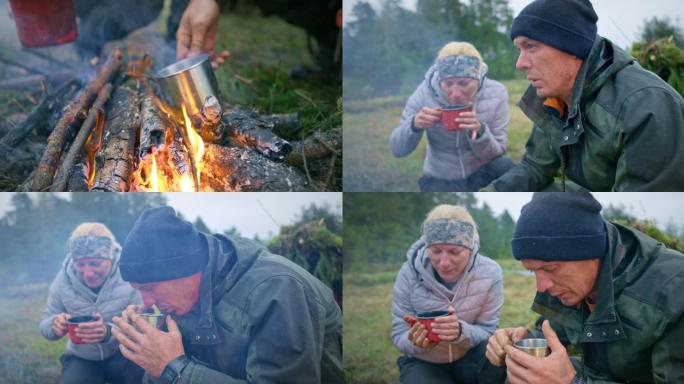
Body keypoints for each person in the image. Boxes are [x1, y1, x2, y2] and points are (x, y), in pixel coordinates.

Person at [111, 206, 343, 383]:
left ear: (186, 269)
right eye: (139, 291)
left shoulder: (277, 290)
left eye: (149, 288)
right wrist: (150, 344)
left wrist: (175, 368)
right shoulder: (187, 298)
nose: (147, 302)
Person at [484, 0, 684, 192]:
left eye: (531, 47)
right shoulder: (555, 97)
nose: (520, 63)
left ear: (571, 46)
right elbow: (535, 167)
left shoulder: (645, 105)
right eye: (519, 49)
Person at [484, 192, 684, 383]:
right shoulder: (570, 284)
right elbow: (553, 330)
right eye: (532, 271)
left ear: (592, 252)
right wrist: (524, 341)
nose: (542, 286)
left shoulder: (674, 293)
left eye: (550, 268)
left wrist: (574, 382)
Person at [391, 204, 504, 383]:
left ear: (470, 248)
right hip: (423, 362)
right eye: (435, 251)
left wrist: (461, 332)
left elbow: (488, 330)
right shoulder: (408, 273)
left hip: (470, 355)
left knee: (501, 361)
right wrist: (416, 342)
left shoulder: (490, 273)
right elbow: (399, 333)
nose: (443, 262)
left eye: (454, 252)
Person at [389, 42, 514, 192]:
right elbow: (397, 149)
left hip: (480, 170)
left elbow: (498, 151)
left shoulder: (496, 93)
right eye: (448, 84)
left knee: (511, 171)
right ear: (440, 80)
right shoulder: (423, 93)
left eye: (463, 83)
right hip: (441, 176)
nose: (455, 94)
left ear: (478, 77)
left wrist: (479, 132)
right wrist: (414, 125)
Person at [39, 223, 144, 384]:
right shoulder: (63, 281)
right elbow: (45, 322)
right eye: (80, 264)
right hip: (82, 358)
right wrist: (53, 325)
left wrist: (109, 331)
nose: (87, 273)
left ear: (110, 258)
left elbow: (143, 323)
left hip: (124, 354)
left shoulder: (129, 275)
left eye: (95, 264)